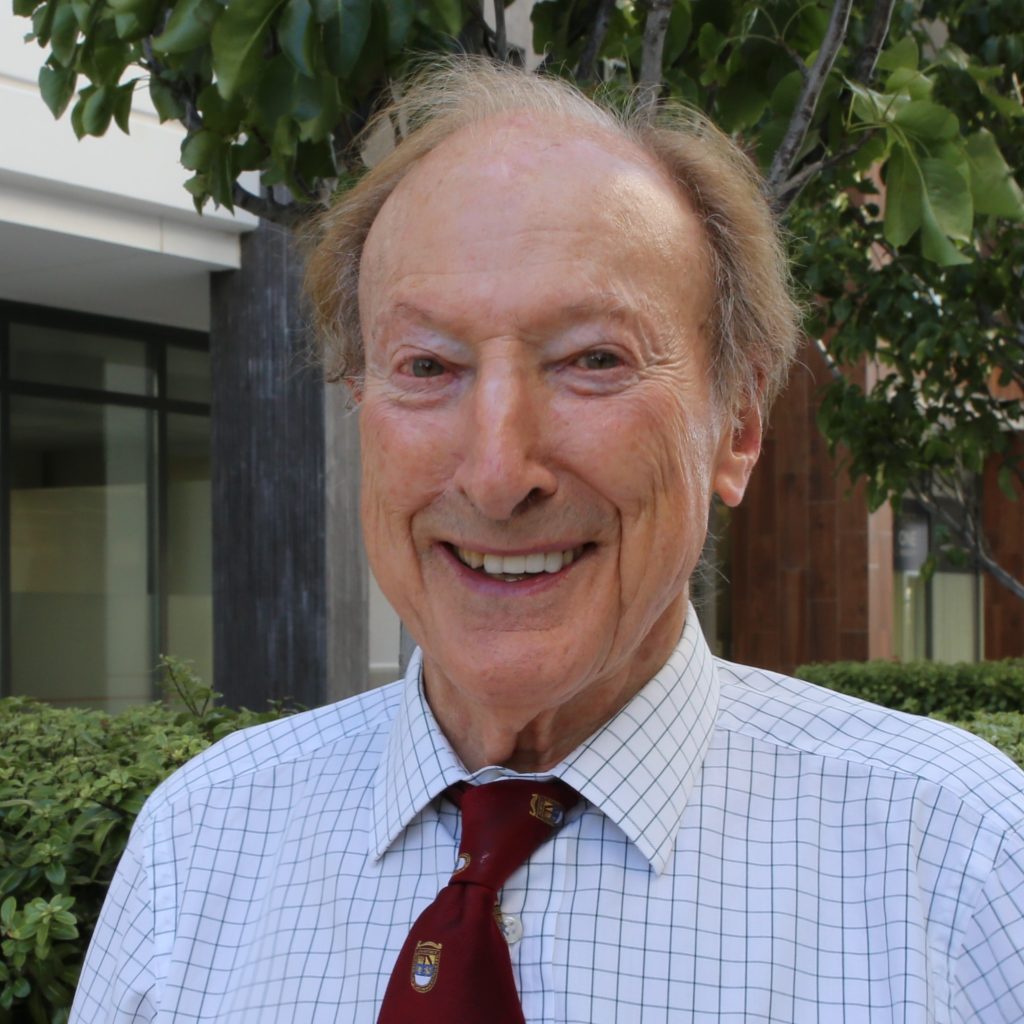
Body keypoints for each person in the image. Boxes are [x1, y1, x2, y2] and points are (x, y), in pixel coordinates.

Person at [71, 60, 1024, 1023]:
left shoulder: (952, 865)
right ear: (361, 405)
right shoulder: (197, 849)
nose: (497, 471)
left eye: (592, 360)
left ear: (736, 425)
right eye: (429, 365)